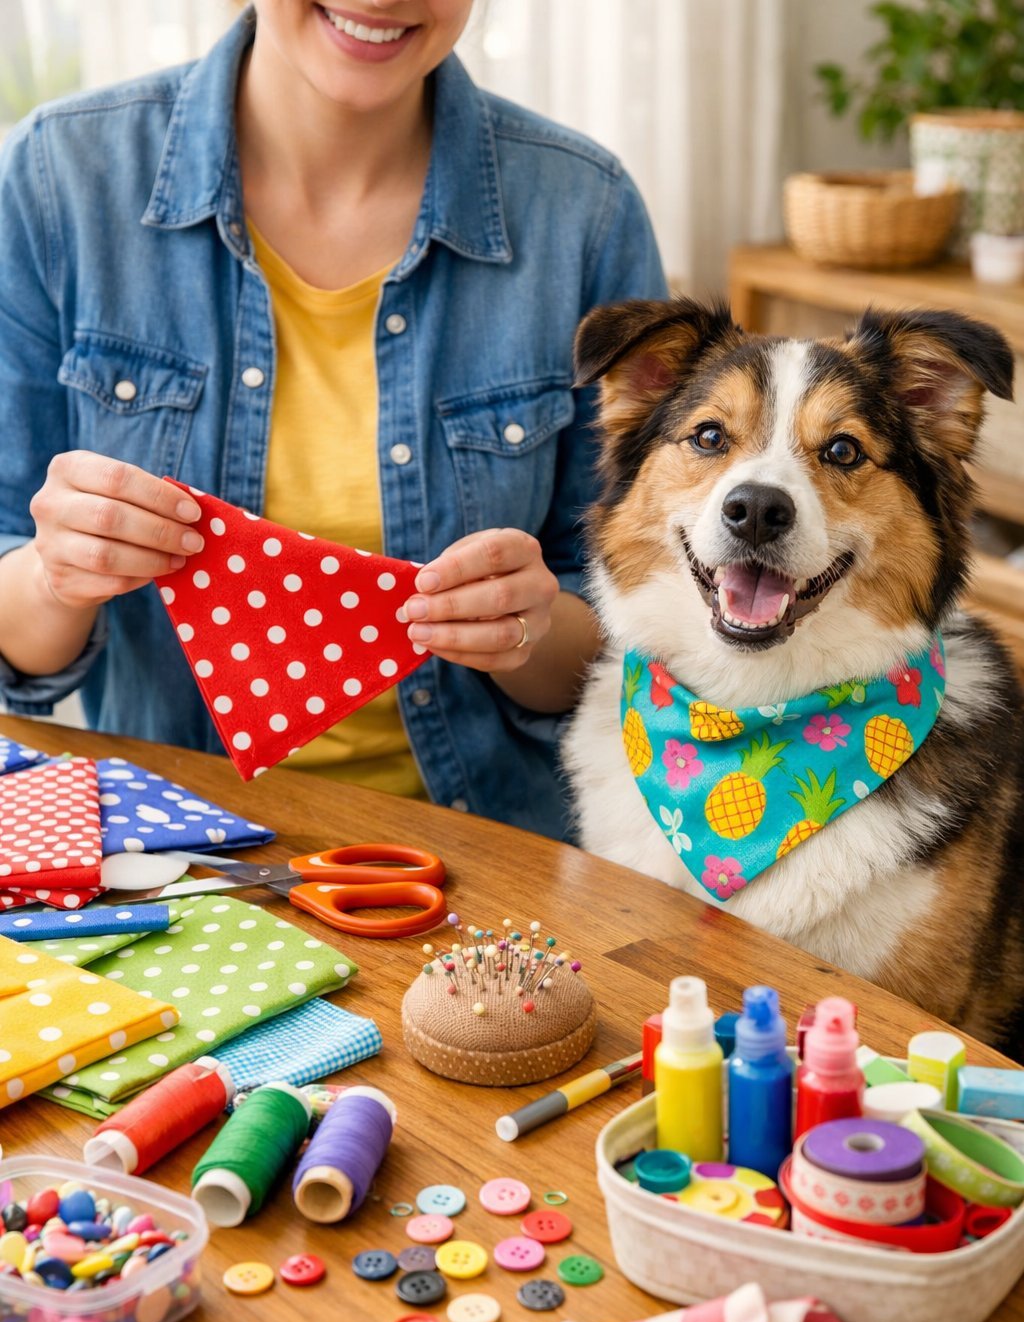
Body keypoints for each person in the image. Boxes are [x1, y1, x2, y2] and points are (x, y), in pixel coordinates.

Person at [0, 1, 666, 838]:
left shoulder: (585, 213)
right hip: (168, 851)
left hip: (492, 849)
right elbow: (14, 629)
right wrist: (58, 573)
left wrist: (530, 632)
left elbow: (633, 646)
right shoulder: (56, 178)